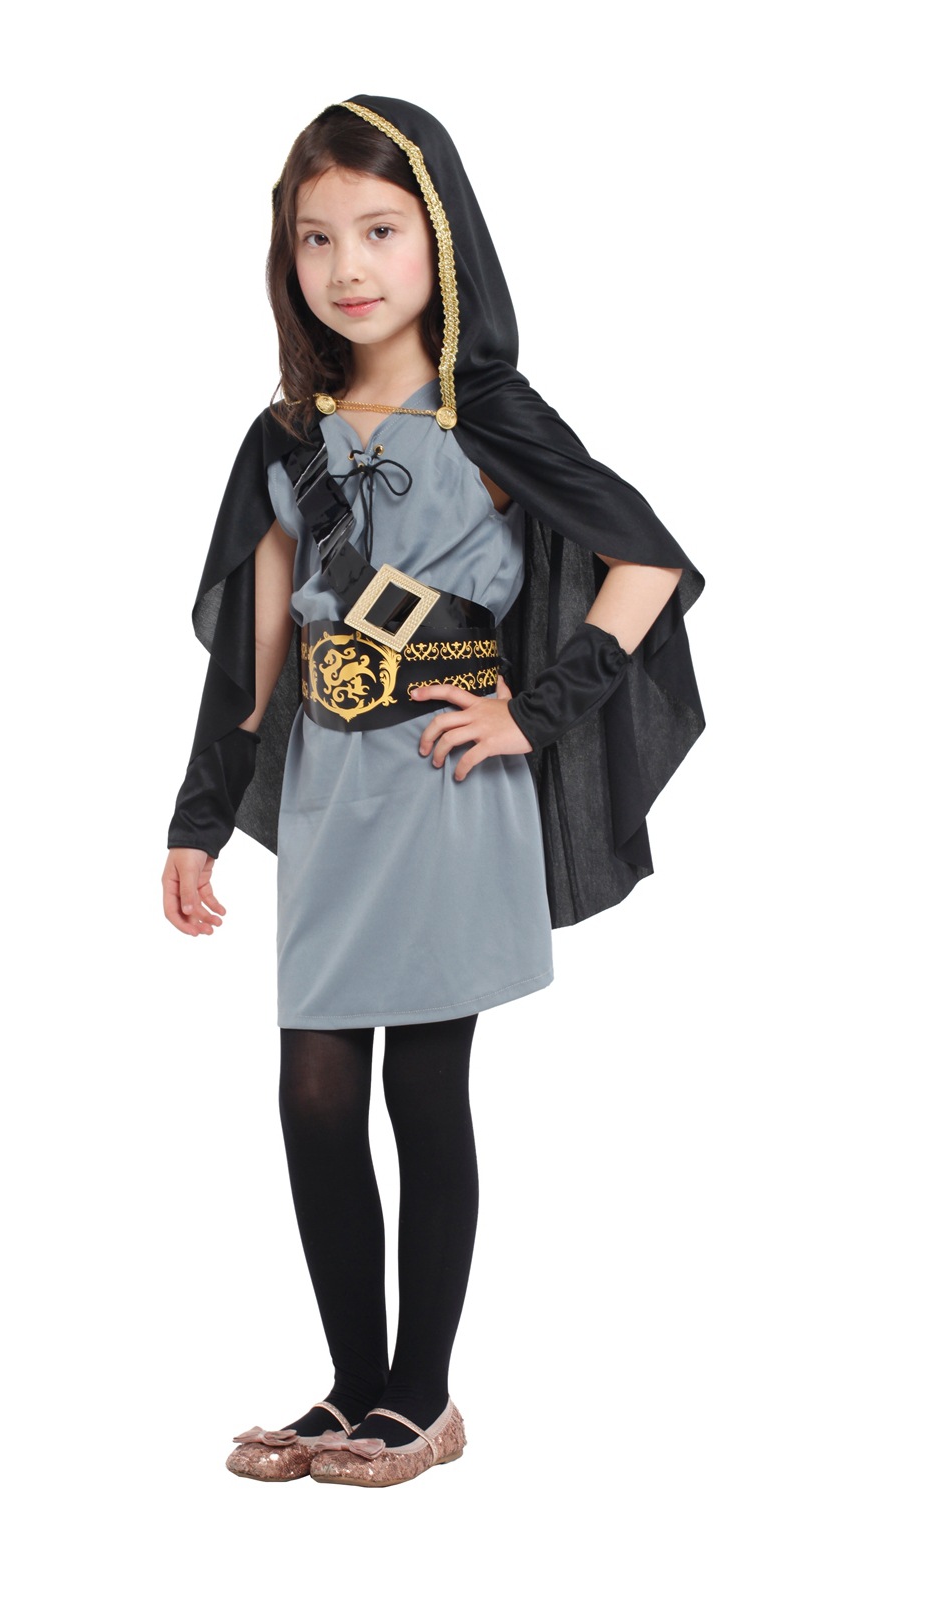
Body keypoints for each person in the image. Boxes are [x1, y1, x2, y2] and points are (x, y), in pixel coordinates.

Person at [161, 96, 706, 1488]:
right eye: (316, 238)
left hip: (447, 784)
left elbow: (647, 562)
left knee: (422, 1084)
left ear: (440, 238)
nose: (348, 265)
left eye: (380, 230)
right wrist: (198, 819)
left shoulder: (493, 417)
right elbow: (255, 654)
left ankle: (422, 1401)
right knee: (312, 1090)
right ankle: (350, 1387)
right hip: (333, 792)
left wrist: (537, 709)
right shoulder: (283, 436)